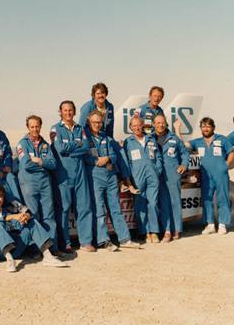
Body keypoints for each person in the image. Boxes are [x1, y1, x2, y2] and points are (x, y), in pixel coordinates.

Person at [84, 110, 142, 250]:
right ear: (89, 123)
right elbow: (84, 157)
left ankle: (124, 239)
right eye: (94, 122)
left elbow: (115, 156)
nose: (97, 125)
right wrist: (96, 160)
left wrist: (108, 158)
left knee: (115, 208)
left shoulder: (107, 139)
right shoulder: (86, 139)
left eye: (99, 122)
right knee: (99, 210)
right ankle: (104, 240)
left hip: (110, 176)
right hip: (95, 176)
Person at [0, 184, 67, 272]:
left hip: (15, 249)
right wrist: (12, 217)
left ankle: (48, 256)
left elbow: (24, 215)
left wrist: (25, 217)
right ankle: (10, 261)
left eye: (0, 197)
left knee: (31, 221)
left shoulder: (9, 209)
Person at [50, 100, 94, 253]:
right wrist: (77, 145)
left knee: (84, 206)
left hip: (80, 171)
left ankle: (86, 241)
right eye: (65, 110)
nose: (68, 113)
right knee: (64, 208)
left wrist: (71, 150)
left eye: (70, 110)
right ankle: (65, 243)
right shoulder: (55, 128)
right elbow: (60, 149)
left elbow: (87, 147)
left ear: (74, 112)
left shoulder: (80, 128)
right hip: (64, 173)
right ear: (60, 112)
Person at [15, 115, 60, 251]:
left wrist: (40, 161)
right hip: (29, 183)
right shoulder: (22, 144)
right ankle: (36, 249)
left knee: (49, 215)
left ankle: (52, 248)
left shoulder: (45, 144)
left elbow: (53, 164)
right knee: (33, 215)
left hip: (45, 183)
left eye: (37, 126)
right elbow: (26, 164)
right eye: (32, 127)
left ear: (40, 126)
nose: (35, 129)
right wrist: (43, 166)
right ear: (28, 127)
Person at [186, 117, 234, 235]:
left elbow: (232, 153)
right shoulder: (197, 142)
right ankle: (210, 225)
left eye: (208, 126)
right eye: (203, 126)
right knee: (207, 199)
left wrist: (226, 165)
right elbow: (184, 145)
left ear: (213, 127)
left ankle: (223, 224)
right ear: (200, 128)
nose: (206, 128)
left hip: (220, 174)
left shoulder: (222, 139)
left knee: (222, 198)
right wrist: (178, 130)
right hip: (206, 176)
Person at [123, 116, 162, 243]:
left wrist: (158, 170)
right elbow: (126, 163)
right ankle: (144, 232)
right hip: (137, 177)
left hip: (152, 176)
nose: (136, 128)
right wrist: (129, 181)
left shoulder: (151, 139)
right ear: (130, 127)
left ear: (143, 125)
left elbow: (158, 157)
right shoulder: (128, 142)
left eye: (138, 125)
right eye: (133, 126)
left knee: (153, 203)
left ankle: (154, 231)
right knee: (140, 205)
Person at [153, 114, 189, 241]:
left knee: (175, 202)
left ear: (166, 123)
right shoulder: (150, 138)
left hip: (172, 174)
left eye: (162, 123)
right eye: (157, 123)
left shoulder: (174, 138)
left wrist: (183, 165)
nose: (160, 125)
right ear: (153, 124)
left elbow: (184, 153)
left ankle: (177, 229)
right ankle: (167, 230)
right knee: (163, 203)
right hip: (157, 175)